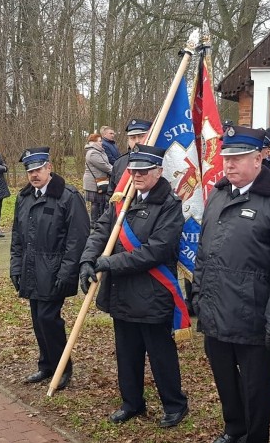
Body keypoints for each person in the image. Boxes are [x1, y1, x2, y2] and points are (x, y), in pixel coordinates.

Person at [192, 126, 270, 443]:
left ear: (259, 158)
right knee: (225, 380)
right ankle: (234, 428)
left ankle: (255, 437)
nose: (229, 165)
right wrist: (198, 295)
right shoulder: (217, 195)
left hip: (253, 315)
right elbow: (204, 251)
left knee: (256, 388)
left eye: (238, 158)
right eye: (226, 157)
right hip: (215, 309)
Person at [79, 144, 189, 428]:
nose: (137, 175)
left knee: (160, 354)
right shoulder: (123, 198)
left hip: (152, 293)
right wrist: (88, 260)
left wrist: (109, 264)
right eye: (133, 170)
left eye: (143, 170)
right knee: (127, 353)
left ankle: (174, 405)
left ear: (159, 172)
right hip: (122, 292)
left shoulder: (170, 205)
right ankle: (132, 402)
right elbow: (102, 230)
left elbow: (156, 251)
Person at [10, 147, 89, 390]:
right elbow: (17, 236)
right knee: (37, 318)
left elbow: (78, 238)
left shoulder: (68, 196)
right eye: (30, 171)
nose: (34, 175)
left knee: (48, 318)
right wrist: (16, 267)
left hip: (54, 270)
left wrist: (66, 273)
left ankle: (62, 367)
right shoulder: (24, 197)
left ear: (49, 168)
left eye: (38, 169)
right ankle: (46, 365)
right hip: (31, 269)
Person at [109, 119, 151, 190]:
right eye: (133, 138)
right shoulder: (119, 163)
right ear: (128, 141)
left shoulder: (159, 161)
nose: (137, 141)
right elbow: (111, 193)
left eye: (141, 136)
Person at [83, 133, 113, 226]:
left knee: (99, 202)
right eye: (100, 141)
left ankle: (97, 220)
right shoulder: (93, 153)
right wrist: (115, 171)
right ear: (94, 142)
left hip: (99, 180)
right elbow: (103, 166)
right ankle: (94, 222)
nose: (102, 143)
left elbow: (105, 164)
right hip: (93, 181)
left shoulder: (99, 151)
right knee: (95, 203)